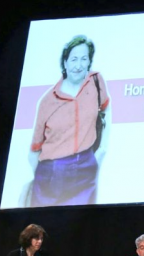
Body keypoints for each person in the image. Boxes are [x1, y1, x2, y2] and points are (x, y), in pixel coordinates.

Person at [29, 34, 111, 207]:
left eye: (84, 59)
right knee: (49, 225)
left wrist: (102, 150)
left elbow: (105, 109)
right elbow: (35, 149)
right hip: (53, 172)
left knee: (84, 225)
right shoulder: (47, 101)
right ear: (65, 63)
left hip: (86, 166)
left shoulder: (96, 81)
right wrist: (46, 177)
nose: (79, 65)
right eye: (74, 59)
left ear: (89, 62)